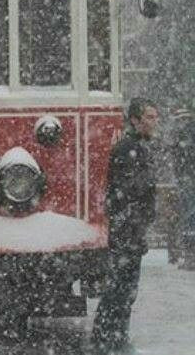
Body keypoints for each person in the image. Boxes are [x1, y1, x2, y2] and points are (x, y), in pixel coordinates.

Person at [91, 98, 160, 354]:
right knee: (121, 288)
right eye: (150, 117)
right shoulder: (128, 149)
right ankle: (109, 338)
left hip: (131, 228)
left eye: (155, 117)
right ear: (135, 120)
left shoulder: (138, 147)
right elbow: (126, 191)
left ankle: (111, 336)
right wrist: (134, 223)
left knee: (124, 288)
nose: (155, 122)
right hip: (127, 229)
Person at [172, 109, 195, 270]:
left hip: (187, 181)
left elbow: (180, 160)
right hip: (188, 179)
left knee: (188, 218)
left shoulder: (183, 136)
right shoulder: (185, 135)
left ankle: (189, 256)